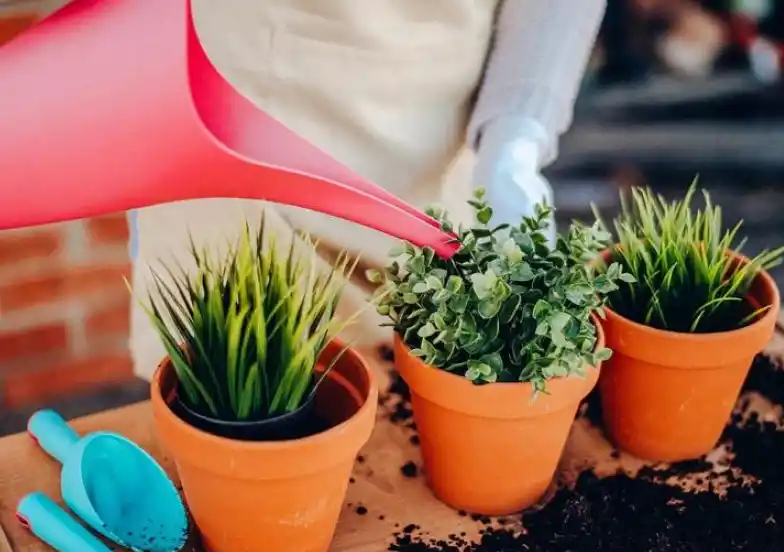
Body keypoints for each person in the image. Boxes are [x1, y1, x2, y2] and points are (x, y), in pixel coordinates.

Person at [124, 0, 608, 385]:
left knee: (412, 401)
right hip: (238, 110)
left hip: (432, 141)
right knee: (226, 390)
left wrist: (515, 136)